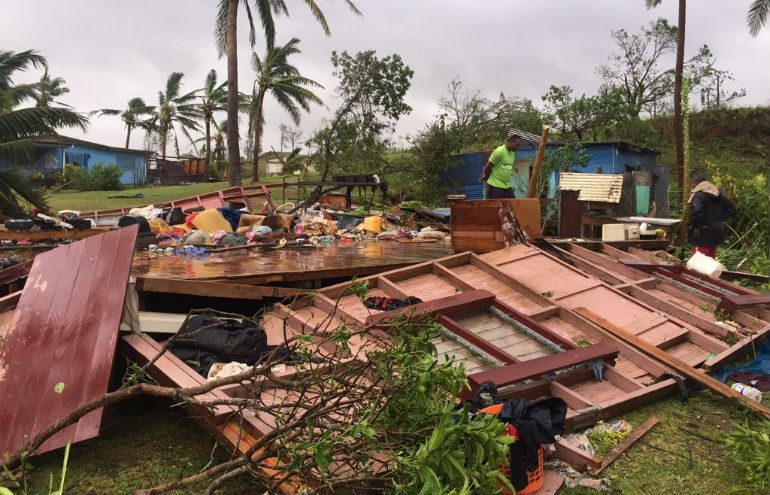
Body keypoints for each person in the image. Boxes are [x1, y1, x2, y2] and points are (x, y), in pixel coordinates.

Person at [688, 174, 735, 258]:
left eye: (692, 185)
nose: (692, 187)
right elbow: (731, 207)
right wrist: (720, 219)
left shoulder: (699, 195)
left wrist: (697, 227)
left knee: (698, 264)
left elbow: (697, 212)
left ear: (696, 184)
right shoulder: (718, 194)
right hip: (716, 233)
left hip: (702, 236)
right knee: (710, 262)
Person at [480, 132, 523, 199]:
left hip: (506, 185)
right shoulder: (499, 151)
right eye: (517, 145)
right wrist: (486, 177)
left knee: (512, 205)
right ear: (511, 142)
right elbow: (487, 167)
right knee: (495, 207)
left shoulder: (512, 154)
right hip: (495, 185)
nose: (518, 147)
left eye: (519, 146)